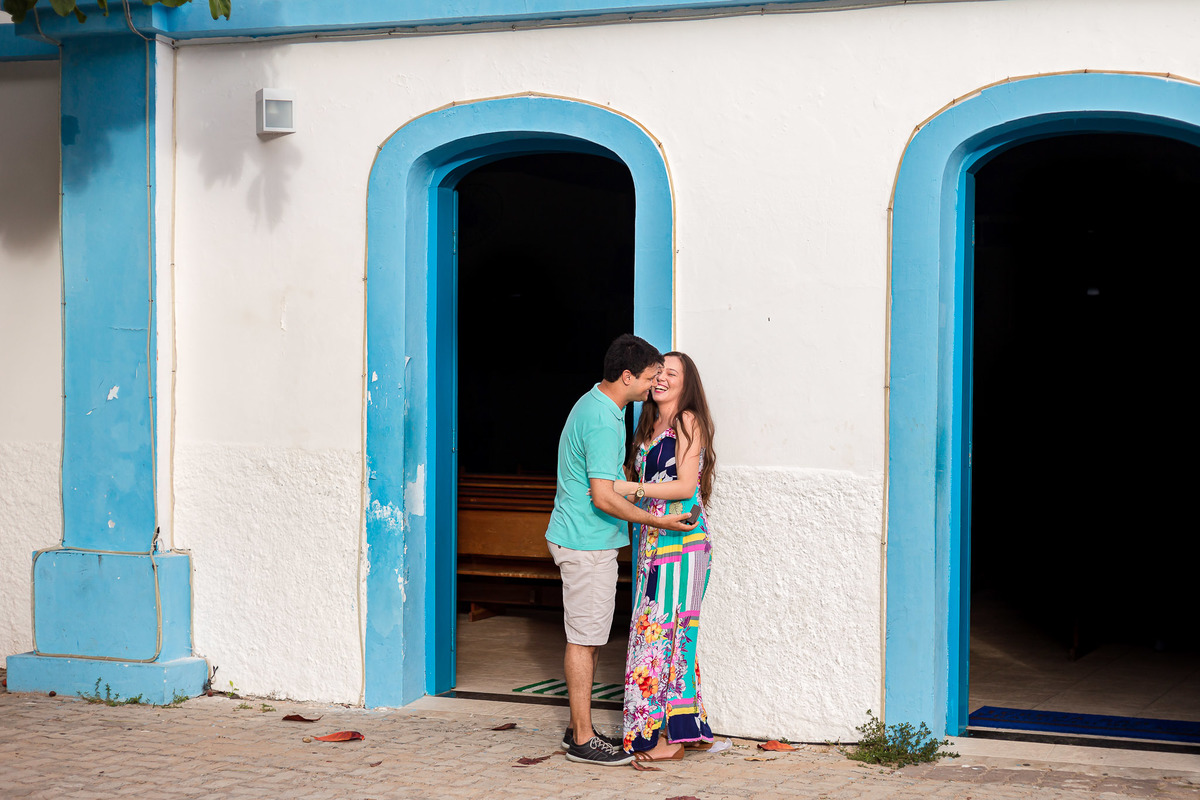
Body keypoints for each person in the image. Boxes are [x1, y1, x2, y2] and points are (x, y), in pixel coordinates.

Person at [546, 334, 699, 767]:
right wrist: (658, 520)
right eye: (651, 376)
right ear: (627, 376)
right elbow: (604, 497)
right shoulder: (602, 418)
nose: (655, 384)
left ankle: (580, 727)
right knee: (585, 640)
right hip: (586, 542)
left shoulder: (603, 408)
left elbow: (615, 480)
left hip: (585, 538)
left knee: (588, 637)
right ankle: (582, 738)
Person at [611, 351, 716, 762]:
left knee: (672, 635)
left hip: (683, 541)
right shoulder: (648, 425)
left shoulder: (688, 421)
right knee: (651, 633)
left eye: (671, 373)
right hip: (651, 542)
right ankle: (679, 730)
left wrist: (628, 489)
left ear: (686, 383)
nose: (661, 379)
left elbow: (684, 486)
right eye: (659, 372)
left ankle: (670, 738)